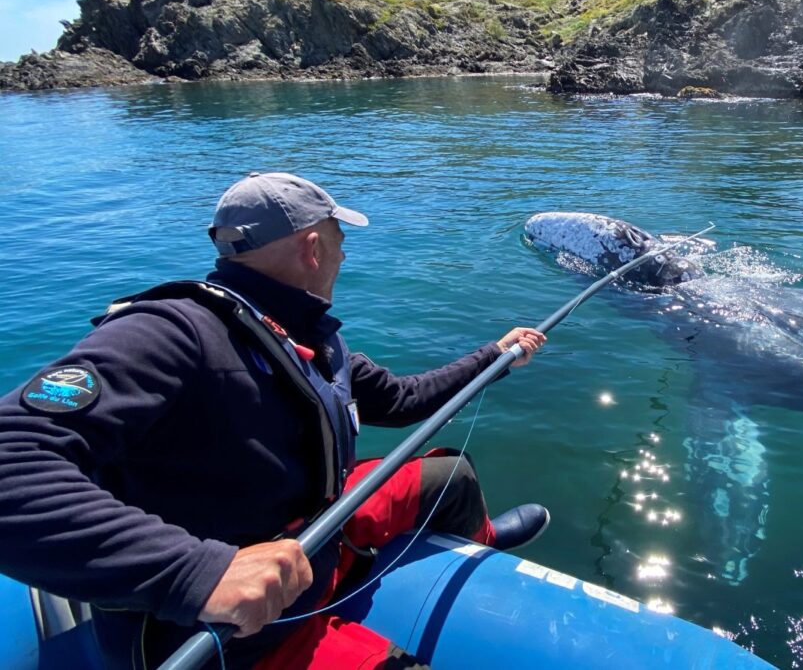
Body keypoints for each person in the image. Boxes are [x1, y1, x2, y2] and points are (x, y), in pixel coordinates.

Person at [0, 172, 549, 669]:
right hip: (234, 631)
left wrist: (492, 357)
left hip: (314, 536)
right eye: (340, 240)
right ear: (313, 247)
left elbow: (402, 401)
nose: (344, 255)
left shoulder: (309, 335)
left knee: (447, 473)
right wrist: (194, 571)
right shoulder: (169, 332)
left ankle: (479, 544)